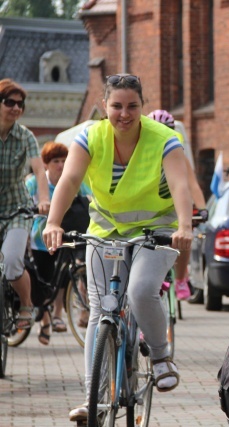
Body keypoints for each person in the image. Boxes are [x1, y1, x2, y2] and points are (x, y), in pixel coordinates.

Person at [42, 74, 193, 422]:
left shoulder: (165, 139)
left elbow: (180, 185)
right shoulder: (91, 136)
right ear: (104, 105)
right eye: (117, 106)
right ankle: (91, 397)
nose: (124, 114)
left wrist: (184, 226)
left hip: (156, 230)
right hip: (107, 230)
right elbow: (69, 181)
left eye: (132, 106)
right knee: (100, 309)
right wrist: (53, 222)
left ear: (143, 106)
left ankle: (159, 356)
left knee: (141, 291)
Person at [26, 142, 92, 345]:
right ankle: (45, 318)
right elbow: (25, 201)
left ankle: (57, 314)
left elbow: (90, 195)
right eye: (56, 161)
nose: (61, 165)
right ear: (45, 164)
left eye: (64, 160)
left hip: (66, 234)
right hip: (40, 238)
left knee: (63, 276)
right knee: (43, 280)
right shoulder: (35, 183)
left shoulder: (72, 180)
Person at [0, 78, 50, 330]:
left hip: (17, 210)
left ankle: (26, 304)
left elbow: (39, 171)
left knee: (11, 262)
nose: (16, 108)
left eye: (21, 104)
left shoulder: (26, 136)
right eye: (10, 102)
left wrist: (43, 199)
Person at [148, 109, 208, 300]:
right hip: (150, 209)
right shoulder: (142, 154)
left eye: (169, 131)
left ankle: (181, 278)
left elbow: (192, 184)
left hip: (174, 208)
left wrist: (203, 208)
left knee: (185, 236)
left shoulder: (177, 154)